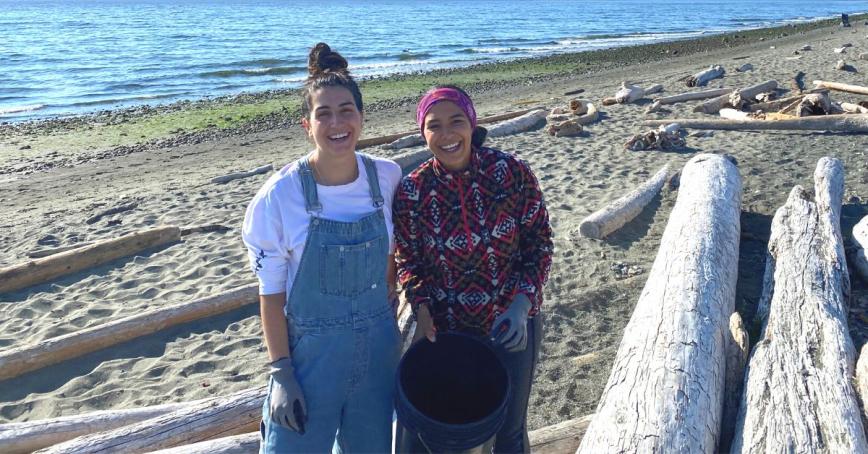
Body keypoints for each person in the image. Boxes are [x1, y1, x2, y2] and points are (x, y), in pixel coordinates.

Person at [242, 42, 402, 453]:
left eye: (346, 110)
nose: (337, 123)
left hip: (378, 356)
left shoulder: (386, 177)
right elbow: (271, 294)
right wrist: (281, 373)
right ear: (306, 124)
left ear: (362, 117)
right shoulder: (279, 195)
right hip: (310, 363)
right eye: (323, 113)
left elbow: (393, 259)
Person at [393, 85, 553, 452]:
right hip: (448, 334)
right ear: (423, 133)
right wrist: (421, 310)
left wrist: (522, 304)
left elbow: (540, 244)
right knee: (436, 430)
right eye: (435, 126)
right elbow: (409, 260)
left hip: (511, 324)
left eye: (457, 122)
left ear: (472, 123)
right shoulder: (413, 191)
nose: (447, 135)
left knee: (510, 430)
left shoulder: (511, 173)